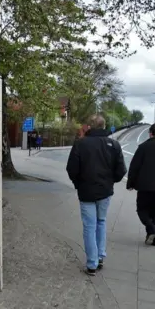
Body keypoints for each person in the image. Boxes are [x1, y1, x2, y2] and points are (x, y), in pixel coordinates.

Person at [66, 115, 127, 275]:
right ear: (104, 125)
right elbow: (121, 171)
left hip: (86, 191)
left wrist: (78, 183)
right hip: (105, 192)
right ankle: (100, 256)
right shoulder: (113, 145)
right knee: (101, 222)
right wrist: (110, 182)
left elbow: (71, 168)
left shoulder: (80, 144)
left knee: (89, 226)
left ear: (89, 127)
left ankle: (92, 263)